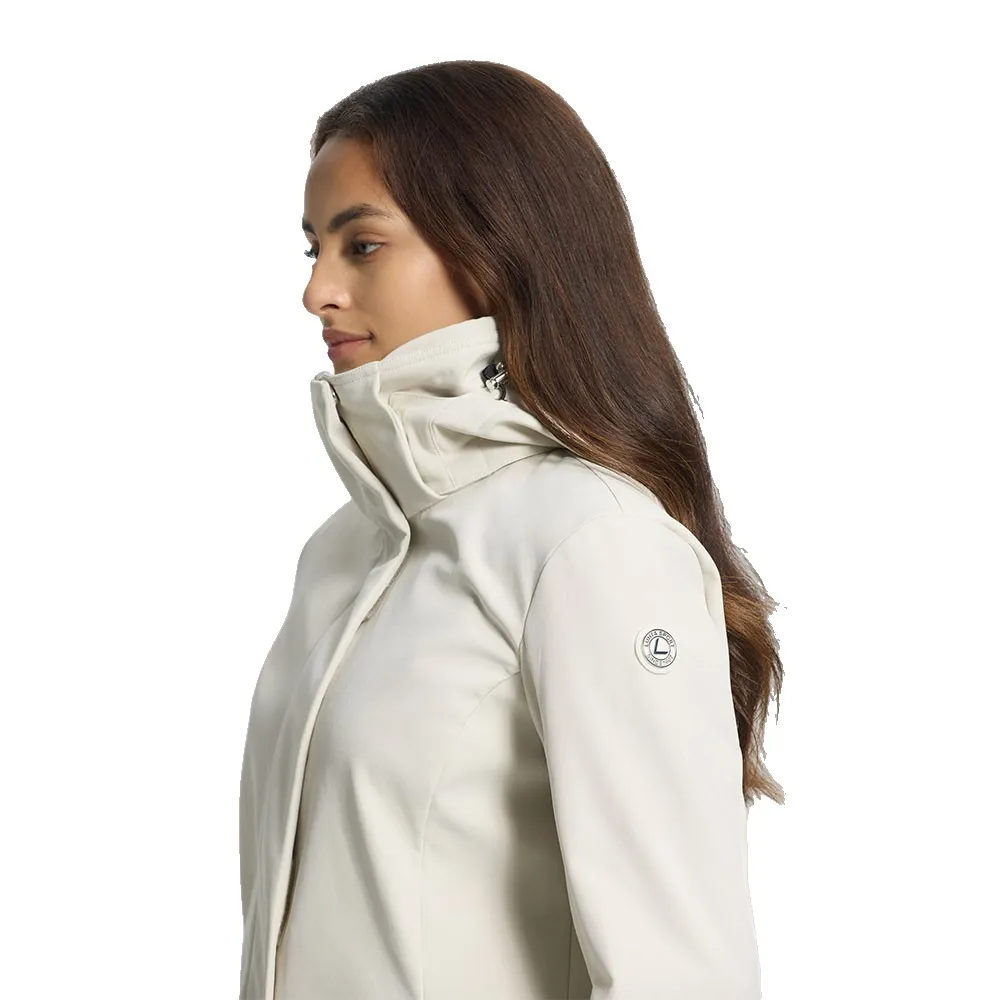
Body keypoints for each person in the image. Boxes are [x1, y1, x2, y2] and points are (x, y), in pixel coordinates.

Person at [238, 59, 784, 1000]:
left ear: (491, 246)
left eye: (362, 245)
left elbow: (680, 976)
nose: (317, 291)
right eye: (312, 249)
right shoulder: (340, 551)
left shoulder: (592, 542)